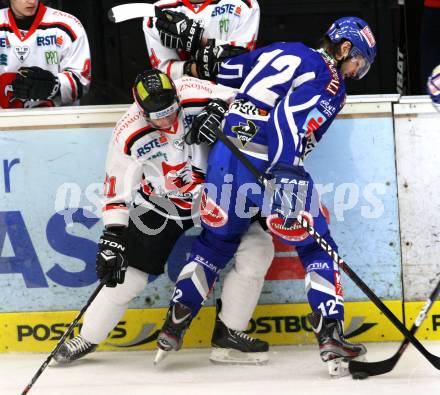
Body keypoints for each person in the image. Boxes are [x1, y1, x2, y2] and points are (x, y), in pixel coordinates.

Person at [156, 17, 377, 377]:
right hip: (271, 162)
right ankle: (331, 334)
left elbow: (226, 73)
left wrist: (207, 54)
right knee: (316, 246)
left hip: (226, 154)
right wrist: (287, 174)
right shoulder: (331, 80)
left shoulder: (285, 49)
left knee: (215, 242)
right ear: (345, 48)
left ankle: (175, 322)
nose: (355, 72)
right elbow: (286, 122)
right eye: (359, 63)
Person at [53, 69, 274, 365]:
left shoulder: (191, 90)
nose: (167, 121)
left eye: (172, 112)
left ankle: (229, 333)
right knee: (127, 277)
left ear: (177, 99)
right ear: (141, 111)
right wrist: (113, 237)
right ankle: (87, 337)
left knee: (259, 249)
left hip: (218, 194)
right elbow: (116, 191)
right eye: (157, 117)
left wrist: (220, 108)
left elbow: (242, 100)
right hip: (162, 205)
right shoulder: (127, 131)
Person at [0, 0, 91, 108]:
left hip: (59, 121)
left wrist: (53, 86)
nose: (32, 1)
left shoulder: (69, 25)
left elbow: (81, 82)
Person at [143, 0, 260, 80]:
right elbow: (164, 74)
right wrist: (196, 69)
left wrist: (199, 40)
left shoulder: (245, 5)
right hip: (181, 98)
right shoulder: (156, 12)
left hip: (229, 95)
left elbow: (241, 63)